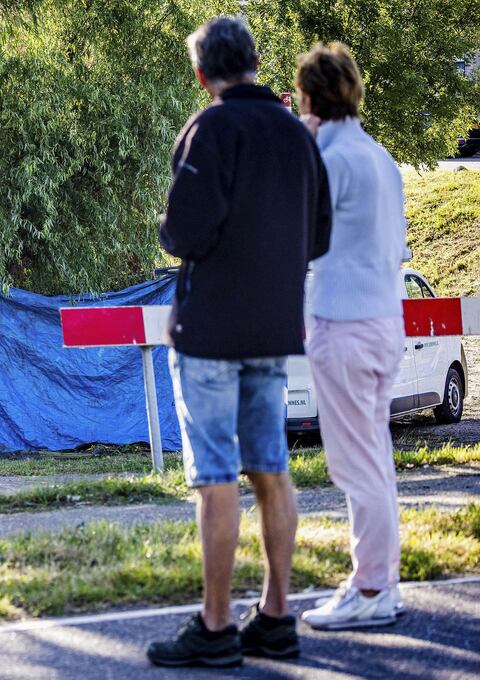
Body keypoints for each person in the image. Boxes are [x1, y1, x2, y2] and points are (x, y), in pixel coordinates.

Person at [146, 16, 331, 668]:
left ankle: (217, 626)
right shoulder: (295, 133)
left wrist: (172, 227)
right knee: (271, 469)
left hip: (212, 330)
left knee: (217, 476)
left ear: (203, 74)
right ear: (254, 62)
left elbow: (183, 234)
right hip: (275, 326)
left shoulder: (211, 129)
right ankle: (277, 615)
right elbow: (319, 238)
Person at [296, 43, 408, 630]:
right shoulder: (381, 158)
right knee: (376, 459)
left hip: (344, 324)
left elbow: (301, 240)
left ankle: (370, 589)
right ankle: (381, 582)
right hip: (386, 320)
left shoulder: (330, 162)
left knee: (356, 465)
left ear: (310, 99)